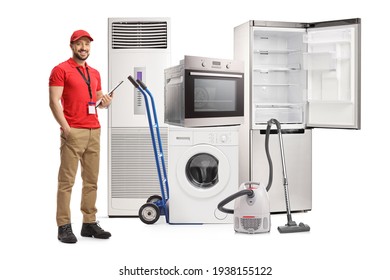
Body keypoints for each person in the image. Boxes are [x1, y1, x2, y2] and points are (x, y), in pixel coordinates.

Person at [49, 30, 112, 243]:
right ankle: (64, 226)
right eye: (79, 44)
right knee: (66, 181)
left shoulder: (94, 73)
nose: (84, 48)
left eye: (87, 44)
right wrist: (66, 128)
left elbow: (97, 100)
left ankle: (89, 223)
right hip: (73, 131)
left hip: (94, 130)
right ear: (71, 46)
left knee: (91, 180)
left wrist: (105, 102)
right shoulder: (60, 70)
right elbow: (54, 101)